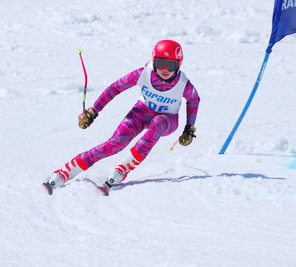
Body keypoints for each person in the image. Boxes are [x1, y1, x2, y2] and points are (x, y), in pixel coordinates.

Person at [42, 40, 200, 196]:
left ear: (179, 65)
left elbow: (194, 99)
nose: (165, 69)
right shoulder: (143, 74)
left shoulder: (183, 84)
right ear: (153, 60)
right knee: (116, 143)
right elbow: (115, 88)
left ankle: (122, 169)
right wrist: (93, 112)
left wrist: (189, 129)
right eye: (160, 63)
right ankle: (67, 171)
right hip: (142, 111)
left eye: (170, 65)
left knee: (157, 124)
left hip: (168, 119)